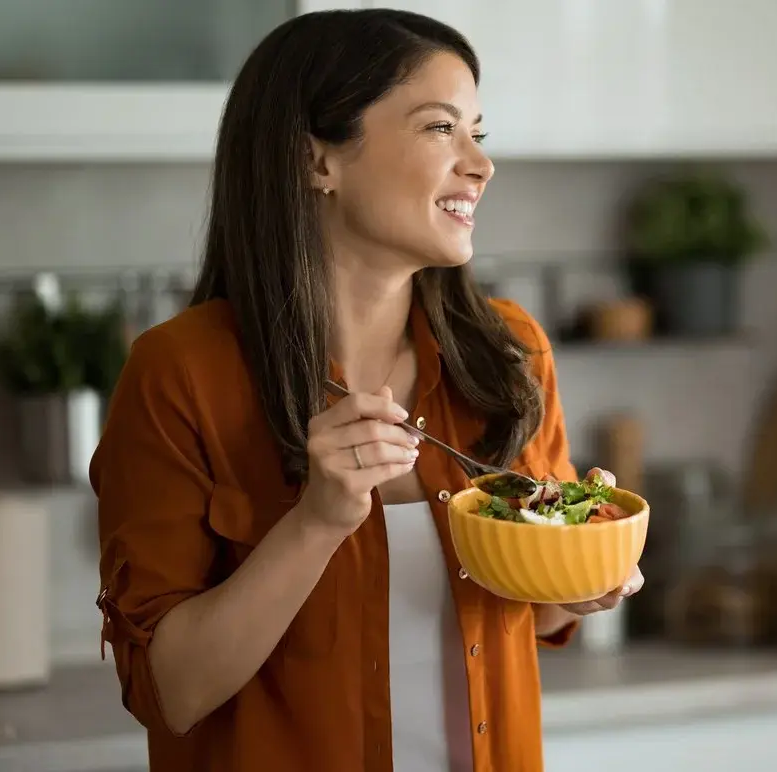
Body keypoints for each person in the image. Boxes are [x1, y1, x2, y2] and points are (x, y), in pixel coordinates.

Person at [91, 9, 642, 772]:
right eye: (440, 128)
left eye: (480, 132)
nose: (480, 165)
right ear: (316, 160)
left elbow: (542, 616)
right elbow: (169, 691)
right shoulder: (178, 374)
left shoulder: (509, 355)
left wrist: (588, 568)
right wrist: (315, 521)